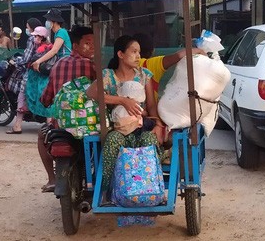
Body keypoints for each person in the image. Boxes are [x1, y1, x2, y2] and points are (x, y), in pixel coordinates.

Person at [85, 35, 163, 197]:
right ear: (120, 54)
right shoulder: (107, 75)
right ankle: (105, 192)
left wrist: (158, 126)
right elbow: (91, 93)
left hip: (141, 127)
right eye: (133, 52)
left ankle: (152, 190)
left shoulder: (144, 75)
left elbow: (151, 106)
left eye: (139, 52)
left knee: (149, 141)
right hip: (118, 129)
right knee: (112, 140)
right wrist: (122, 100)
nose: (138, 56)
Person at [37, 25, 95, 193]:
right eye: (87, 43)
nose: (92, 47)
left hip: (60, 127)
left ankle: (52, 179)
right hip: (90, 126)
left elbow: (46, 100)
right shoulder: (93, 67)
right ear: (76, 46)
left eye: (94, 43)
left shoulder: (57, 65)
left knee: (42, 136)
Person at [25, 8, 72, 122]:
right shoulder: (56, 33)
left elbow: (54, 51)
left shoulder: (61, 32)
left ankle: (50, 120)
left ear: (54, 21)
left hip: (64, 65)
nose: (47, 22)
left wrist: (38, 61)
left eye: (49, 20)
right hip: (61, 64)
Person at [133, 32, 205, 99]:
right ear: (152, 50)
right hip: (148, 110)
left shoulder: (126, 63)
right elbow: (179, 56)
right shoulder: (150, 64)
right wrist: (199, 50)